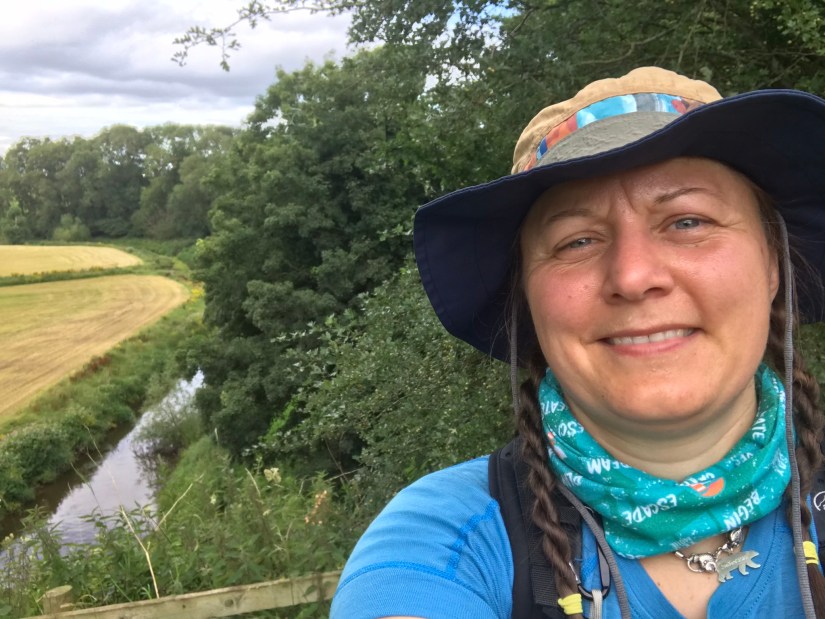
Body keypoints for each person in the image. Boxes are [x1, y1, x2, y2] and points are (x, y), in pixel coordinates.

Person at [330, 67, 825, 618]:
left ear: (772, 266)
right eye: (577, 241)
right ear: (530, 300)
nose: (633, 276)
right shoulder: (443, 545)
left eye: (687, 221)